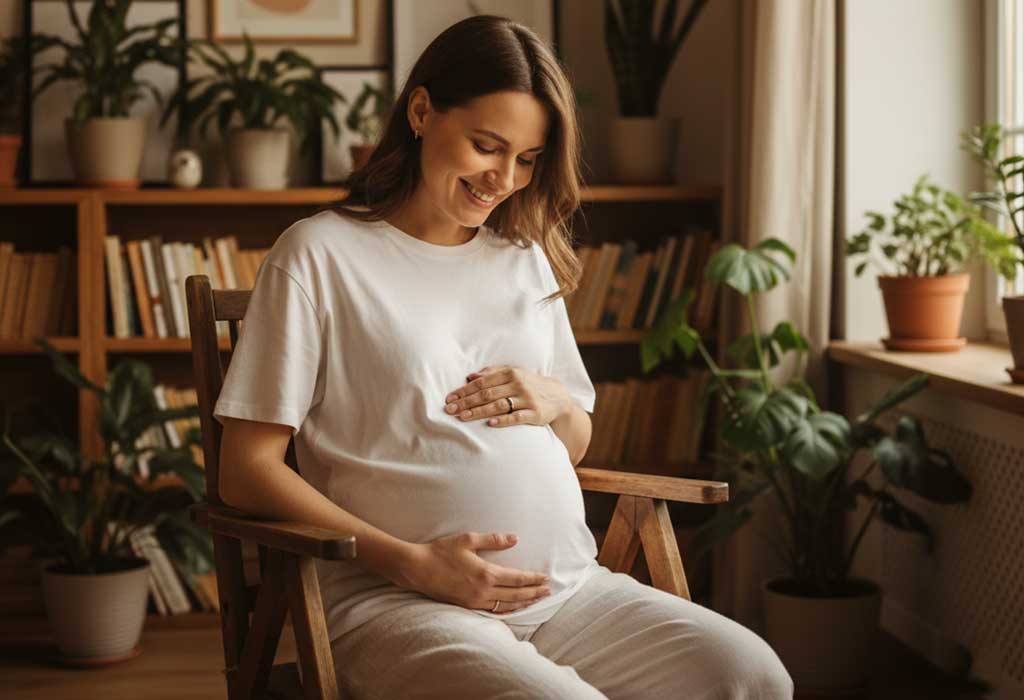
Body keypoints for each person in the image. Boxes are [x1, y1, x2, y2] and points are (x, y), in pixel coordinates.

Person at [213, 14, 793, 700]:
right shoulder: (319, 255)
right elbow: (245, 473)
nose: (504, 179)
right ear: (421, 112)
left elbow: (572, 441)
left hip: (570, 596)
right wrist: (414, 564)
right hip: (401, 604)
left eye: (528, 158)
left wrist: (556, 400)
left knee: (754, 677)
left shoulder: (523, 258)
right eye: (487, 146)